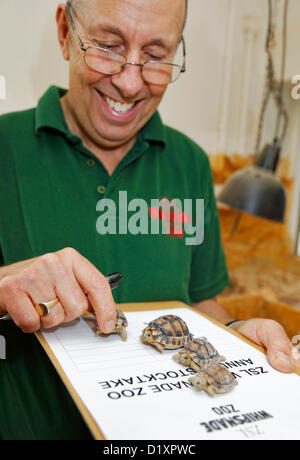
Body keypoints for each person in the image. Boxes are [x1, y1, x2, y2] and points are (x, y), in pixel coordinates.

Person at [0, 0, 296, 440]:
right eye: (107, 45)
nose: (130, 80)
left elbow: (199, 301)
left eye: (156, 56)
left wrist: (234, 336)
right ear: (65, 32)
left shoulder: (190, 163)